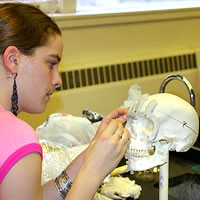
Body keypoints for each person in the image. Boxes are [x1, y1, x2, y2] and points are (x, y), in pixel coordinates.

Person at [0, 3, 130, 200]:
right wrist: (92, 173)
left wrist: (92, 152)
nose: (57, 80)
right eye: (51, 64)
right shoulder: (17, 136)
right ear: (13, 60)